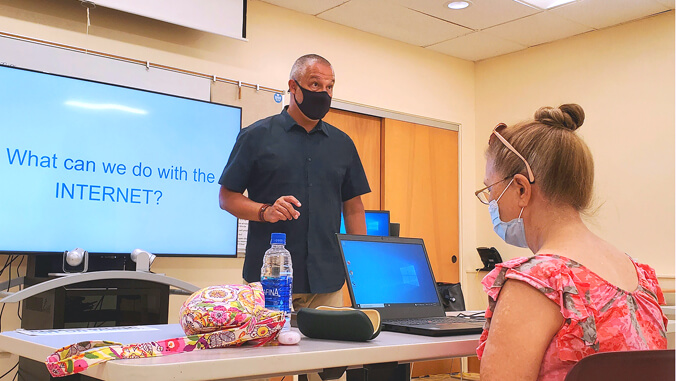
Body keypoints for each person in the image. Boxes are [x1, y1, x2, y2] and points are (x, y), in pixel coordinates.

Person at [474, 104, 668, 381]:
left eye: (490, 190)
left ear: (520, 189)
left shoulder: (536, 283)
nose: (491, 202)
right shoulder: (640, 277)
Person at [218, 54, 370, 313]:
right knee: (270, 353)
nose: (323, 92)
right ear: (293, 87)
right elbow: (227, 197)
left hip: (328, 283)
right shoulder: (255, 137)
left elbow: (354, 207)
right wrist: (265, 211)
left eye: (329, 86)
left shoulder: (343, 144)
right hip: (269, 280)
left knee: (329, 353)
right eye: (314, 85)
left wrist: (362, 268)